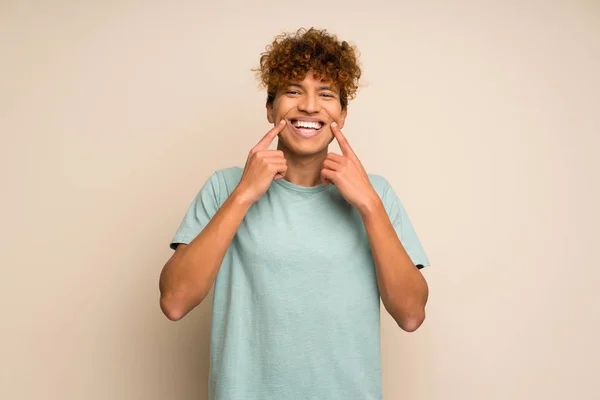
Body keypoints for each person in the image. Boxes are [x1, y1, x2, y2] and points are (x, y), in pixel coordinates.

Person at [159, 27, 430, 400]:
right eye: (292, 91)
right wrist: (243, 196)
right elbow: (174, 301)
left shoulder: (376, 193)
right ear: (270, 108)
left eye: (326, 94)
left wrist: (369, 206)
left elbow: (411, 315)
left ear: (342, 114)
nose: (309, 106)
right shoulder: (225, 187)